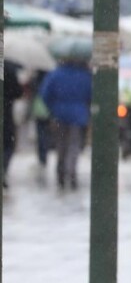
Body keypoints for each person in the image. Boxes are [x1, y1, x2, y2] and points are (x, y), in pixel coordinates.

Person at [40, 56, 94, 190]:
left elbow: (45, 93)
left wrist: (52, 108)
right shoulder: (84, 75)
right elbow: (91, 94)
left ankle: (61, 172)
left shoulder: (56, 74)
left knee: (61, 145)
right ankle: (71, 172)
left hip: (59, 115)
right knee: (74, 145)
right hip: (78, 115)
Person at [3, 61, 23, 185]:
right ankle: (3, 169)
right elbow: (18, 92)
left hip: (6, 112)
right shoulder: (9, 68)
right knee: (8, 144)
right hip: (6, 112)